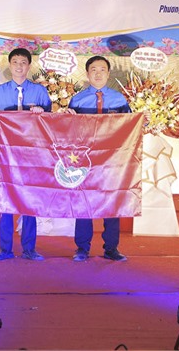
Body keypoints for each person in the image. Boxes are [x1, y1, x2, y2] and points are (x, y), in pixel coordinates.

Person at [0, 48, 51, 261]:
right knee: (5, 200)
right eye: (15, 62)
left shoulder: (40, 92)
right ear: (10, 65)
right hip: (6, 155)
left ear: (29, 66)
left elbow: (51, 123)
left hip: (32, 155)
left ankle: (29, 249)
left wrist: (42, 113)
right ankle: (5, 249)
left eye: (23, 62)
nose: (19, 66)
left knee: (29, 200)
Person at [68, 55, 130, 262]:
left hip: (111, 161)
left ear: (108, 73)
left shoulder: (119, 100)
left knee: (111, 202)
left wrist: (143, 120)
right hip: (85, 160)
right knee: (83, 202)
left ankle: (111, 248)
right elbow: (69, 131)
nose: (98, 73)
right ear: (87, 74)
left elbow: (129, 126)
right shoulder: (77, 100)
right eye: (93, 69)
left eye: (102, 69)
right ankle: (82, 248)